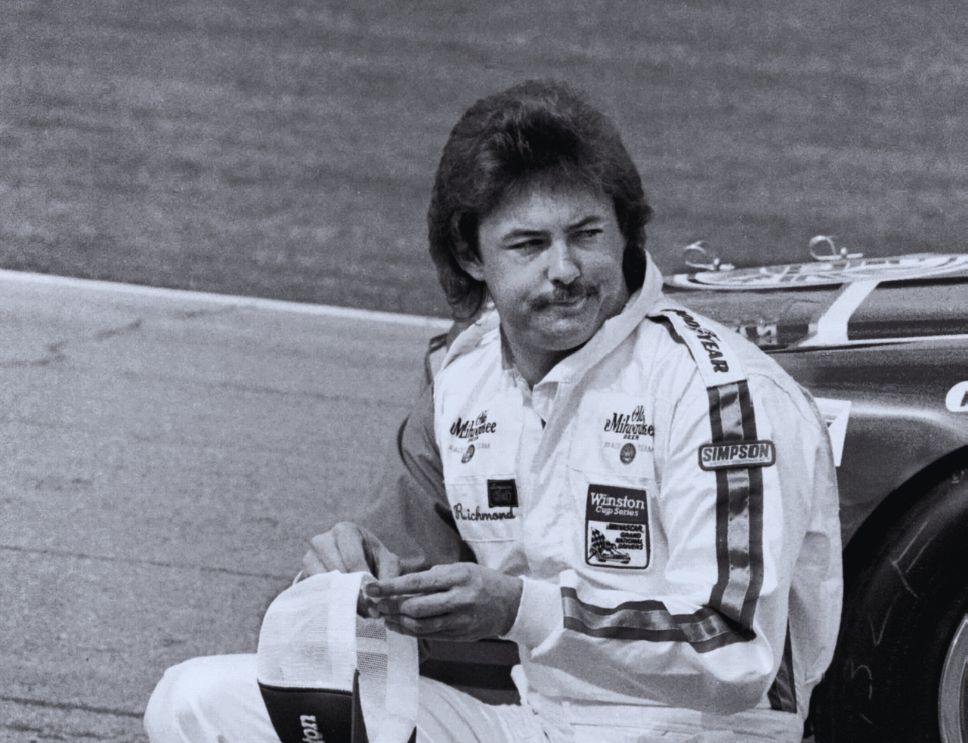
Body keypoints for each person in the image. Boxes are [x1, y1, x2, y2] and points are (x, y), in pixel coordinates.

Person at [144, 79, 842, 743]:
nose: (564, 269)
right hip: (536, 725)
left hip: (706, 733)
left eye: (587, 234)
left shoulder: (720, 391)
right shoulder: (461, 381)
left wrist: (518, 608)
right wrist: (339, 582)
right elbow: (392, 572)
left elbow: (735, 654)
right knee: (199, 701)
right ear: (470, 254)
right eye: (529, 244)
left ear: (627, 234)